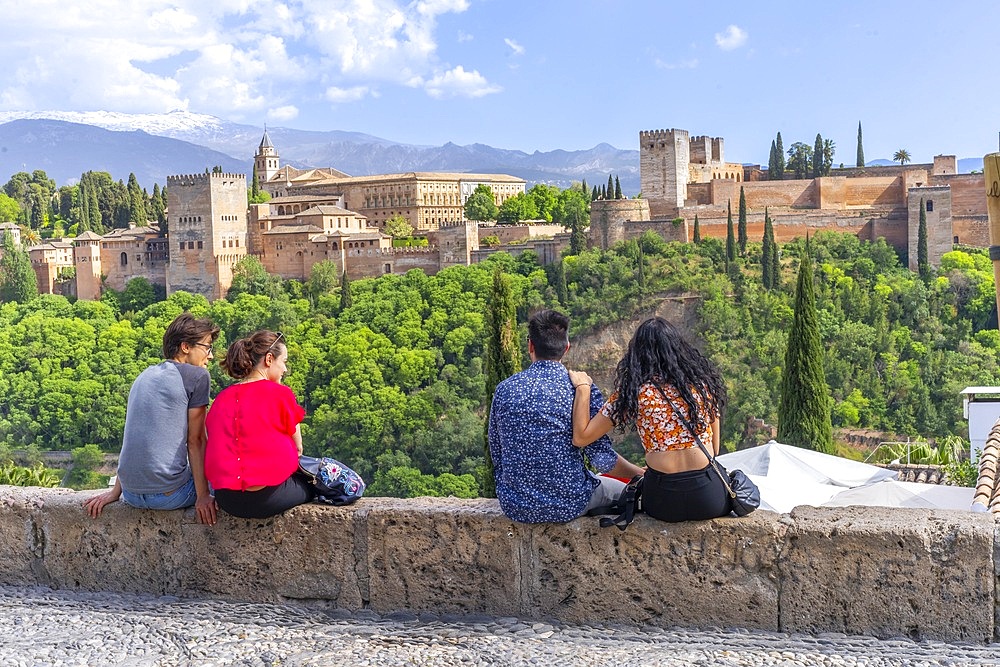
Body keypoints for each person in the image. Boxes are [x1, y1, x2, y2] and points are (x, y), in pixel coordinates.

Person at [488, 309, 645, 523]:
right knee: (627, 492)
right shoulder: (579, 388)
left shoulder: (504, 389)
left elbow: (497, 452)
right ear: (566, 348)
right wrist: (641, 475)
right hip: (568, 503)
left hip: (515, 505)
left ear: (530, 346)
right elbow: (602, 459)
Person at [570, 317, 730, 523]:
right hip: (710, 499)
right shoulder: (702, 387)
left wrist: (583, 388)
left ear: (637, 355)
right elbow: (714, 450)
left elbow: (582, 437)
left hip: (663, 502)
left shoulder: (634, 392)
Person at [84, 313, 220, 525]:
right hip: (170, 495)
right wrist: (203, 497)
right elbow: (196, 441)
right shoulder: (197, 376)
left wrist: (115, 492)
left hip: (130, 495)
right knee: (229, 479)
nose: (210, 355)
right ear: (186, 347)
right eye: (207, 347)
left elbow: (135, 436)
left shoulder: (143, 376)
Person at [204, 330, 315, 519]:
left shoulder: (221, 399)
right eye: (284, 362)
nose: (285, 370)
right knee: (316, 485)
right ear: (269, 359)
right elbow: (298, 449)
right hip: (267, 498)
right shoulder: (280, 394)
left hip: (226, 500)